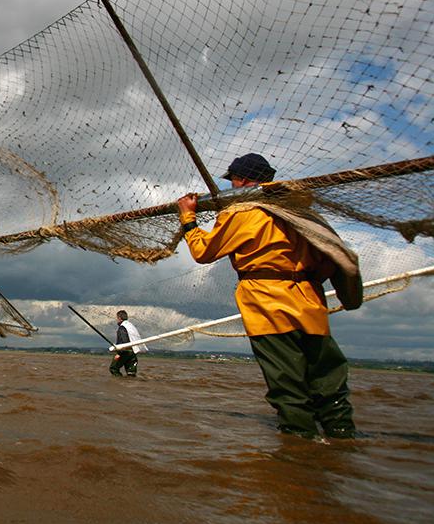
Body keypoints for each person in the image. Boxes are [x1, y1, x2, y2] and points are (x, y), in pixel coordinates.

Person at [177, 152, 361, 439]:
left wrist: (188, 217)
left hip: (267, 306)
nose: (233, 187)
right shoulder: (301, 212)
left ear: (244, 180)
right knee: (328, 379)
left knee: (287, 382)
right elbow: (327, 260)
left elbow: (203, 252)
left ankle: (299, 450)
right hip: (310, 304)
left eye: (235, 181)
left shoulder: (243, 212)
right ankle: (342, 439)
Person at [110, 310, 147, 377]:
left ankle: (119, 384)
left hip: (125, 352)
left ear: (119, 318)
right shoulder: (131, 326)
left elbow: (124, 342)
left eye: (117, 318)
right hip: (133, 352)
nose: (116, 320)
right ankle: (130, 385)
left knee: (113, 368)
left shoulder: (122, 328)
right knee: (131, 373)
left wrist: (119, 353)